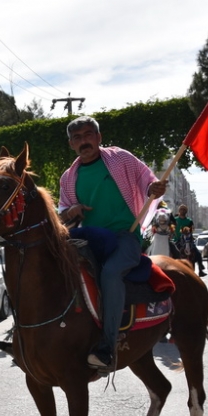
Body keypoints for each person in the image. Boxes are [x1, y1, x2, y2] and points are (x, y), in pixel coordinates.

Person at [57, 116, 167, 372]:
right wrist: (72, 210)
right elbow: (62, 212)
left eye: (88, 135)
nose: (84, 141)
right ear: (71, 144)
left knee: (110, 273)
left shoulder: (121, 159)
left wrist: (153, 187)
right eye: (77, 138)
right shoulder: (68, 177)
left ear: (98, 137)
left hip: (125, 236)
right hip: (89, 239)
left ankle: (107, 347)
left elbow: (145, 179)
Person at [172, 204, 206, 277]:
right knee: (173, 252)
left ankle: (200, 269)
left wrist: (188, 234)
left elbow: (191, 230)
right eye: (181, 209)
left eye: (184, 210)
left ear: (186, 211)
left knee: (198, 253)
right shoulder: (175, 219)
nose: (182, 211)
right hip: (177, 240)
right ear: (179, 211)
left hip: (187, 239)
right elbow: (172, 228)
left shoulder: (189, 220)